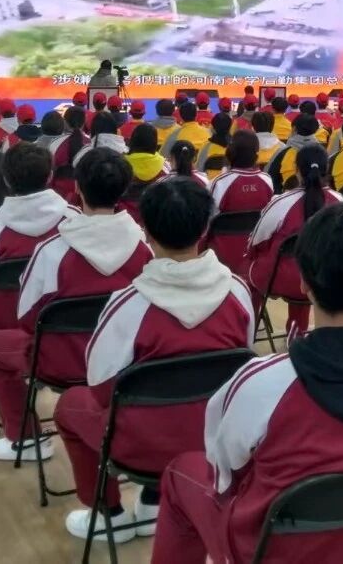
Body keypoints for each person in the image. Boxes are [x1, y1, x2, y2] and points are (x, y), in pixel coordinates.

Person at [151, 204, 343, 564]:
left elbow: (224, 474)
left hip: (273, 552)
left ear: (304, 282)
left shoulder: (263, 383)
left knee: (181, 473)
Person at [52, 177, 254, 543]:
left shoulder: (128, 304)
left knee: (71, 404)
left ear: (145, 230)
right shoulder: (238, 293)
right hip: (214, 440)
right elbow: (241, 370)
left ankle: (108, 513)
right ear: (205, 229)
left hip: (139, 448)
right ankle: (152, 502)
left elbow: (100, 389)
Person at [0, 149, 152, 462]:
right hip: (125, 364)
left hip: (62, 362)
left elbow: (27, 318)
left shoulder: (52, 250)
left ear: (77, 188)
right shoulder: (143, 246)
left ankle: (25, 439)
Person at [0, 144, 72, 355]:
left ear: (6, 180)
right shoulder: (74, 220)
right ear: (50, 176)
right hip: (63, 325)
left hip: (5, 324)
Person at [246, 143, 343, 337]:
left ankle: (248, 332)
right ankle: (298, 333)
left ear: (297, 170)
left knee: (250, 273)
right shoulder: (340, 202)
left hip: (283, 280)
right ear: (326, 170)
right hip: (328, 279)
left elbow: (255, 242)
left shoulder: (281, 203)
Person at [206, 130, 274, 277]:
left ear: (230, 153)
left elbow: (206, 221)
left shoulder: (219, 183)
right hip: (255, 257)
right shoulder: (267, 180)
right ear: (256, 154)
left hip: (221, 259)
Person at [195, 113, 233, 177]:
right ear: (230, 128)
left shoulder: (206, 148)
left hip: (210, 181)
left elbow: (199, 171)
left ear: (213, 128)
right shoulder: (236, 147)